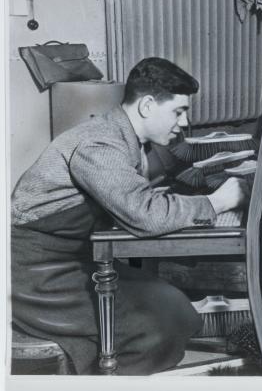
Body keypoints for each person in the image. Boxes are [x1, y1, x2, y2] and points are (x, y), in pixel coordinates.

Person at [10, 57, 247, 375]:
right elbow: (144, 214)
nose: (183, 123)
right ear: (148, 105)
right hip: (33, 273)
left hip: (72, 259)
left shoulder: (120, 138)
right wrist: (215, 202)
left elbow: (135, 201)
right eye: (178, 111)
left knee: (174, 306)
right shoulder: (99, 143)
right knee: (152, 329)